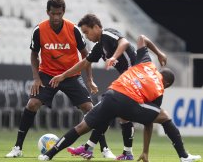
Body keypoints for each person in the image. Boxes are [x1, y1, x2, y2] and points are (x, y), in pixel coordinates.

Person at [38, 32, 202, 162]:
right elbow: (148, 123)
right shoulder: (159, 89)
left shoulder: (146, 63)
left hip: (111, 94)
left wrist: (159, 53)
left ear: (159, 71)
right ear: (166, 84)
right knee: (164, 116)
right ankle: (184, 156)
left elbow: (141, 38)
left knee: (81, 128)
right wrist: (145, 151)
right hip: (128, 102)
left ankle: (48, 155)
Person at [5, 0, 115, 159]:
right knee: (32, 103)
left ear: (63, 12)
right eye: (53, 13)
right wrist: (36, 78)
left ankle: (104, 149)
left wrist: (89, 79)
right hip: (47, 75)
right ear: (47, 12)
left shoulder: (74, 29)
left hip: (71, 74)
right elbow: (34, 55)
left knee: (90, 109)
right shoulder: (39, 30)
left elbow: (87, 56)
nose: (56, 17)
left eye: (59, 13)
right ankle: (17, 147)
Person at [49, 13, 167, 160]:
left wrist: (113, 57)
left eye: (87, 32)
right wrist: (63, 76)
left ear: (97, 27)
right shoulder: (99, 47)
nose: (86, 36)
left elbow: (124, 43)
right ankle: (124, 153)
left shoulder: (107, 33)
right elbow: (85, 63)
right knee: (118, 115)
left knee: (107, 110)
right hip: (130, 83)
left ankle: (89, 148)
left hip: (137, 79)